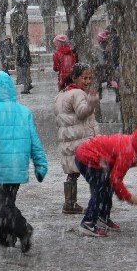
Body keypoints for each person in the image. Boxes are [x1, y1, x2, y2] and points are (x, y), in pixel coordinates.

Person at [0, 71, 47, 252]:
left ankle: (23, 229)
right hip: (19, 164)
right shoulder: (24, 111)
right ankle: (6, 236)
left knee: (5, 203)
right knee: (7, 201)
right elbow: (34, 140)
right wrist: (40, 163)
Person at [74, 124, 137, 237]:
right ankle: (88, 222)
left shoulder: (131, 145)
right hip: (88, 158)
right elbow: (115, 179)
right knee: (100, 189)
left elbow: (114, 178)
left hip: (91, 156)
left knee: (106, 187)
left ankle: (103, 217)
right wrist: (128, 196)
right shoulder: (129, 152)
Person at [54, 63, 100, 214]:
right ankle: (98, 202)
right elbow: (82, 113)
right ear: (74, 78)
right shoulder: (77, 94)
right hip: (80, 139)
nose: (87, 81)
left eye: (89, 78)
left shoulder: (61, 94)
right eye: (84, 78)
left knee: (73, 173)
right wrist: (92, 103)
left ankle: (70, 203)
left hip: (69, 140)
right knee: (95, 172)